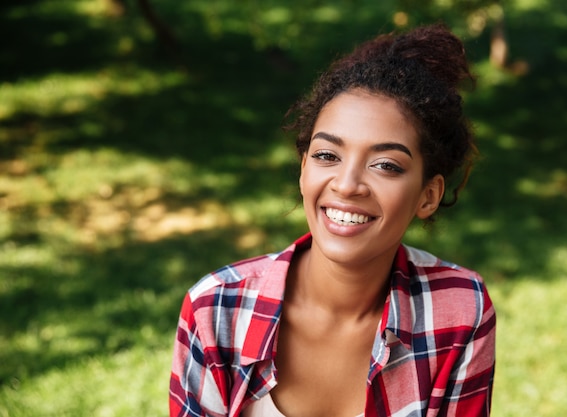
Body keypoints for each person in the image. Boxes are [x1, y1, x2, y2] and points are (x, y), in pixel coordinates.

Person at [169, 23, 496, 417]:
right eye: (327, 156)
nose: (347, 184)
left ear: (428, 195)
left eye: (386, 165)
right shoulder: (215, 309)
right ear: (304, 168)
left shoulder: (460, 309)